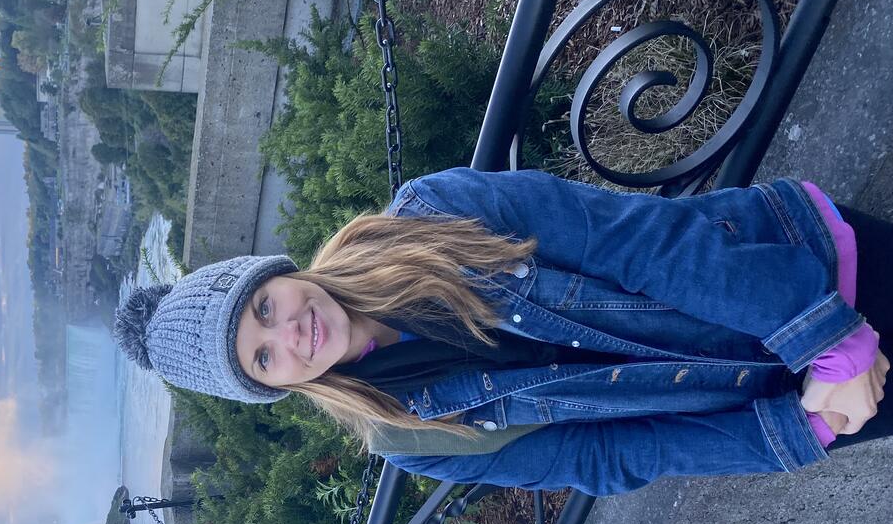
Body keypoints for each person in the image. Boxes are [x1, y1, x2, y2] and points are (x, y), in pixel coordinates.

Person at [113, 168, 890, 496]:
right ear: (273, 388)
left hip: (803, 277)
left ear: (272, 274)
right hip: (788, 398)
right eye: (263, 358)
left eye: (263, 307)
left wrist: (829, 340)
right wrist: (794, 429)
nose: (290, 334)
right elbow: (607, 458)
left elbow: (643, 242)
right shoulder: (413, 436)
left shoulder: (433, 215)